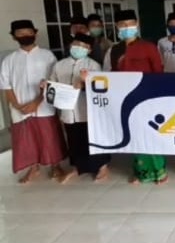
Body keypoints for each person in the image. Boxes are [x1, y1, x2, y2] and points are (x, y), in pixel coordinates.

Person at [104, 9, 168, 184]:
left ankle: (160, 171)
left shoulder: (149, 47)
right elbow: (112, 74)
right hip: (125, 98)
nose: (127, 28)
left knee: (151, 133)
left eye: (130, 24)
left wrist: (157, 95)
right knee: (134, 133)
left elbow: (158, 72)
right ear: (116, 26)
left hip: (147, 96)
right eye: (122, 25)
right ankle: (141, 172)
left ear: (137, 24)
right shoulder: (115, 50)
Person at [0, 20, 67, 184]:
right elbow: (6, 86)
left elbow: (52, 82)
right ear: (13, 37)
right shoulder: (9, 60)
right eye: (20, 34)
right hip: (20, 108)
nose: (25, 36)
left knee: (49, 137)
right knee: (26, 141)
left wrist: (37, 102)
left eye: (28, 32)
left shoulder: (47, 56)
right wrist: (17, 106)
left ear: (35, 33)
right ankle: (33, 167)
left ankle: (55, 165)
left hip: (44, 106)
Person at [49, 33, 110, 183]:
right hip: (68, 111)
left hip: (87, 109)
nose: (79, 48)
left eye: (84, 47)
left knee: (93, 139)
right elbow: (53, 84)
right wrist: (46, 85)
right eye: (76, 44)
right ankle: (78, 167)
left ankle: (102, 166)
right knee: (74, 140)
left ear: (89, 50)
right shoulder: (59, 65)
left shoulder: (93, 65)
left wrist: (84, 83)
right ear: (71, 45)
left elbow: (101, 87)